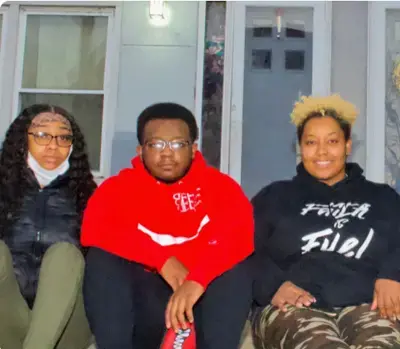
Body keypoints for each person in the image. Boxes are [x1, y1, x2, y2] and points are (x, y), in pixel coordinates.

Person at [81, 102, 254, 349]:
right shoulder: (117, 188)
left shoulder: (221, 187)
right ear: (141, 149)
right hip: (144, 305)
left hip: (202, 303)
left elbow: (239, 237)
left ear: (193, 149)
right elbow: (95, 229)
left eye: (177, 144)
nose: (167, 153)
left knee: (237, 268)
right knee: (102, 257)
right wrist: (162, 260)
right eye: (156, 144)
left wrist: (197, 280)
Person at [251, 94, 400, 349]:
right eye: (311, 142)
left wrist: (393, 275)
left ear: (347, 145)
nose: (322, 151)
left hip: (369, 304)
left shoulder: (382, 196)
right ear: (300, 146)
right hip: (295, 308)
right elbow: (242, 250)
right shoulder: (274, 196)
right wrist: (273, 285)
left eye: (332, 141)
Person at [0, 104, 97, 349]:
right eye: (43, 135)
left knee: (64, 255)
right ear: (23, 139)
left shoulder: (91, 197)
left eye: (63, 137)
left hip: (67, 326)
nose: (53, 145)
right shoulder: (3, 187)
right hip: (10, 321)